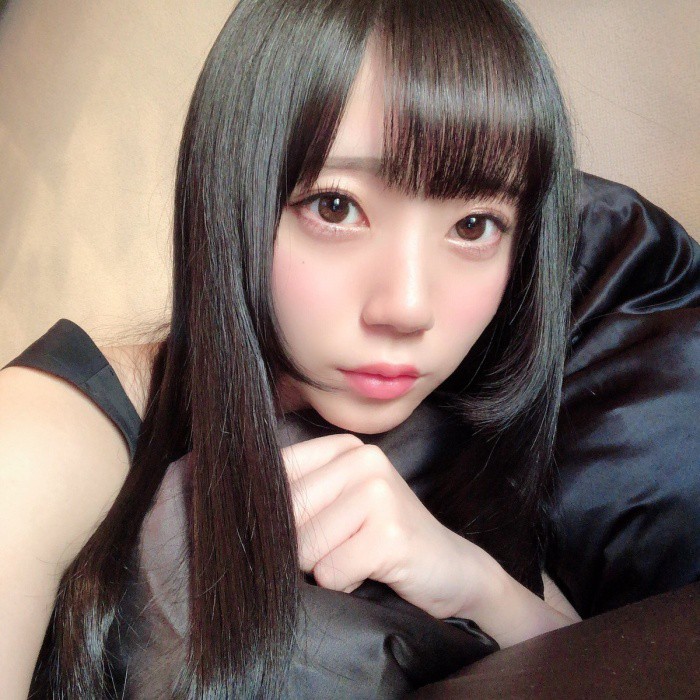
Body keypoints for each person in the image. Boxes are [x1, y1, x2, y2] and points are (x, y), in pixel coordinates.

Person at [1, 0, 697, 698]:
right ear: (232, 194)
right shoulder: (44, 436)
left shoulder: (478, 433)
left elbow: (612, 664)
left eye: (474, 225)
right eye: (335, 207)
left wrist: (474, 584)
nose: (408, 307)